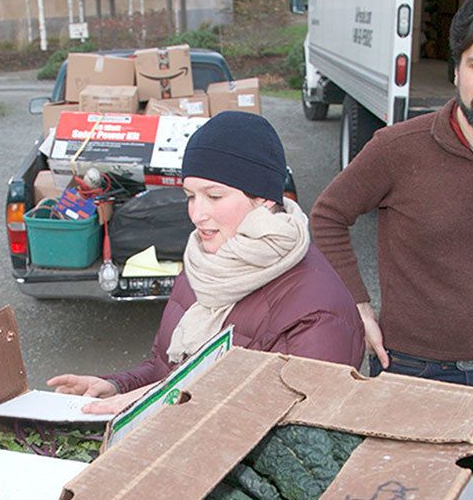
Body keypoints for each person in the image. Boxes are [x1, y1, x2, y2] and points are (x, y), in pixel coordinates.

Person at [310, 0, 473, 391]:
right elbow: (327, 216)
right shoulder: (396, 148)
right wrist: (358, 307)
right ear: (457, 70)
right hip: (406, 363)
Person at [49, 110, 365, 414]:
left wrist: (163, 399)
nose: (197, 214)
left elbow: (296, 429)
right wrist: (116, 387)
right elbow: (166, 367)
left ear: (264, 197)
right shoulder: (203, 263)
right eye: (190, 195)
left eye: (214, 196)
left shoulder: (319, 311)